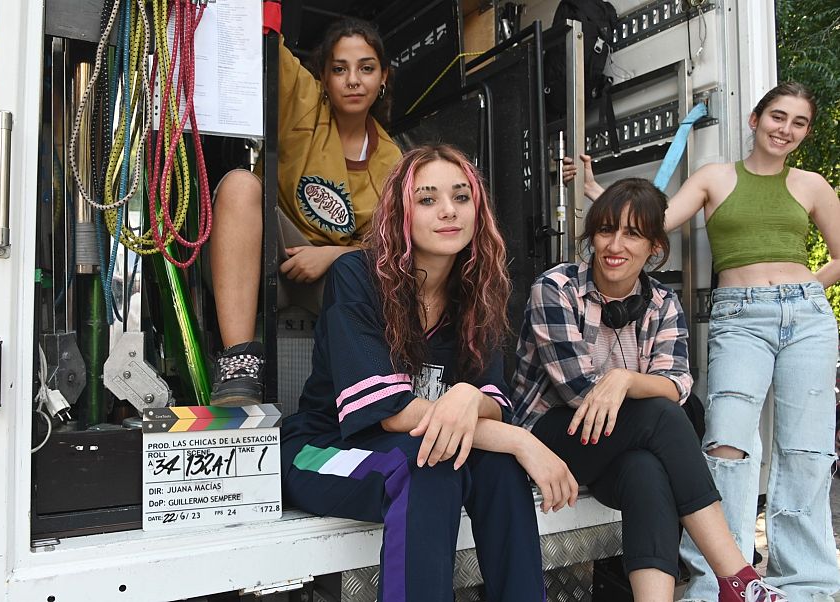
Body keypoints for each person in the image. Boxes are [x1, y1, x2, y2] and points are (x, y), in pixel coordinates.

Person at [577, 82, 840, 601]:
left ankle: (808, 582)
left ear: (805, 133)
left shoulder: (812, 185)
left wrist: (808, 287)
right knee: (726, 443)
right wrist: (593, 193)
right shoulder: (716, 178)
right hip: (740, 317)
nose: (785, 130)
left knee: (807, 450)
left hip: (806, 318)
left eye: (798, 123)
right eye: (777, 117)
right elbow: (652, 223)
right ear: (754, 119)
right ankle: (724, 575)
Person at [281, 144, 580, 601]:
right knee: (427, 466)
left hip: (409, 447)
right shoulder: (357, 275)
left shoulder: (477, 290)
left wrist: (467, 397)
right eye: (427, 199)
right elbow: (392, 413)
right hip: (323, 449)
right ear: (400, 213)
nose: (448, 211)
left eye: (461, 198)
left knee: (495, 466)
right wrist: (523, 441)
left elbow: (494, 401)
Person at [511, 178, 787, 602]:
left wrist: (626, 379)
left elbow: (676, 382)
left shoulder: (662, 302)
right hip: (552, 438)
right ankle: (739, 579)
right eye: (606, 230)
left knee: (647, 470)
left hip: (618, 443)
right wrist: (639, 387)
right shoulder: (555, 289)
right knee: (663, 416)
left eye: (632, 233)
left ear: (654, 247)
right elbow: (579, 394)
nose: (614, 245)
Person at [207, 17, 402, 405]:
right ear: (324, 78)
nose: (352, 80)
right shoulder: (305, 104)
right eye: (339, 69)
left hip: (331, 278)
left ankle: (368, 389)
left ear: (383, 78)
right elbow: (265, 35)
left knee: (375, 268)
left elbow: (395, 246)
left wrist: (330, 255)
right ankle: (238, 365)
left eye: (366, 68)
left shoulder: (394, 160)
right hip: (267, 251)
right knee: (239, 185)